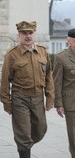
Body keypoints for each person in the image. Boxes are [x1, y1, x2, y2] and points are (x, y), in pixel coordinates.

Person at [0, 21, 54, 158]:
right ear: (19, 35)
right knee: (23, 133)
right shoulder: (12, 55)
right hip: (20, 98)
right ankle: (24, 151)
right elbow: (5, 80)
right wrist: (6, 102)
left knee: (41, 129)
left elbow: (49, 76)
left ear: (34, 34)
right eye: (24, 33)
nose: (28, 36)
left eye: (30, 33)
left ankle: (26, 144)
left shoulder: (42, 52)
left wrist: (50, 98)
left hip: (38, 97)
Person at [53, 29, 75, 157]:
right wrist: (59, 104)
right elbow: (57, 82)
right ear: (69, 41)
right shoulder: (61, 57)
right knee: (74, 137)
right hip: (71, 104)